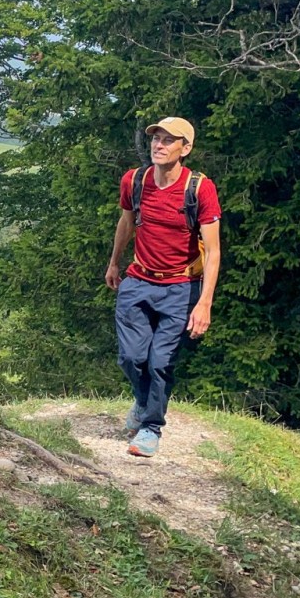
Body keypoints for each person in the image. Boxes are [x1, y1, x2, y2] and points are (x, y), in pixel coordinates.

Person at [104, 117, 221, 457]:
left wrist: (205, 304)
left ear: (186, 149)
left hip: (181, 287)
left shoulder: (199, 188)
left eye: (170, 140)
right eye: (157, 138)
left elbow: (213, 251)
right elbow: (126, 221)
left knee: (160, 363)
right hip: (138, 281)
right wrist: (114, 262)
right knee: (131, 358)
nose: (159, 144)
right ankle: (143, 403)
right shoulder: (135, 180)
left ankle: (151, 427)